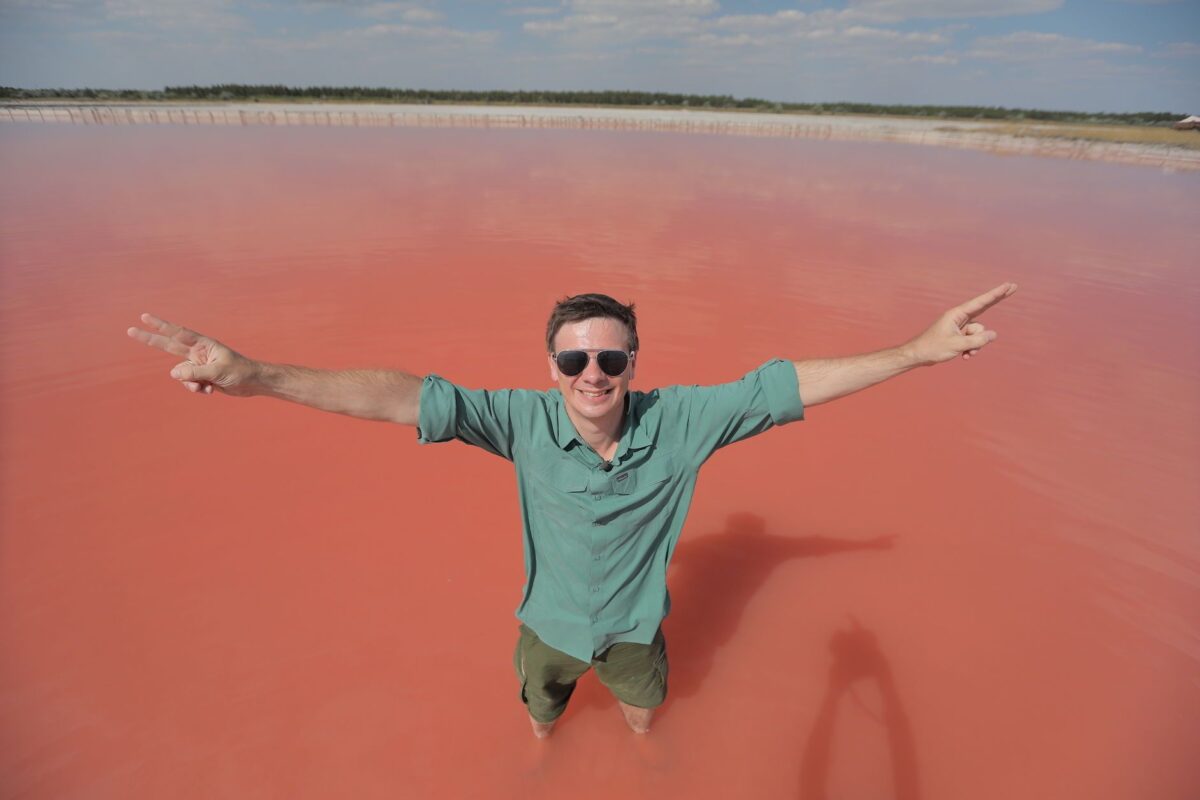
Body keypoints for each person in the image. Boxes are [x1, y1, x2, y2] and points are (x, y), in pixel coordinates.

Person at [127, 283, 1017, 738]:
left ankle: (639, 753)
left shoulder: (686, 420)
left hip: (637, 630)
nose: (592, 376)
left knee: (642, 711)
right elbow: (403, 398)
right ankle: (542, 750)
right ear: (550, 366)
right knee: (540, 712)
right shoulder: (517, 421)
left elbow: (787, 385)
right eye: (574, 361)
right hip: (545, 626)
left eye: (611, 360)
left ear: (635, 362)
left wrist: (916, 352)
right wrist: (260, 376)